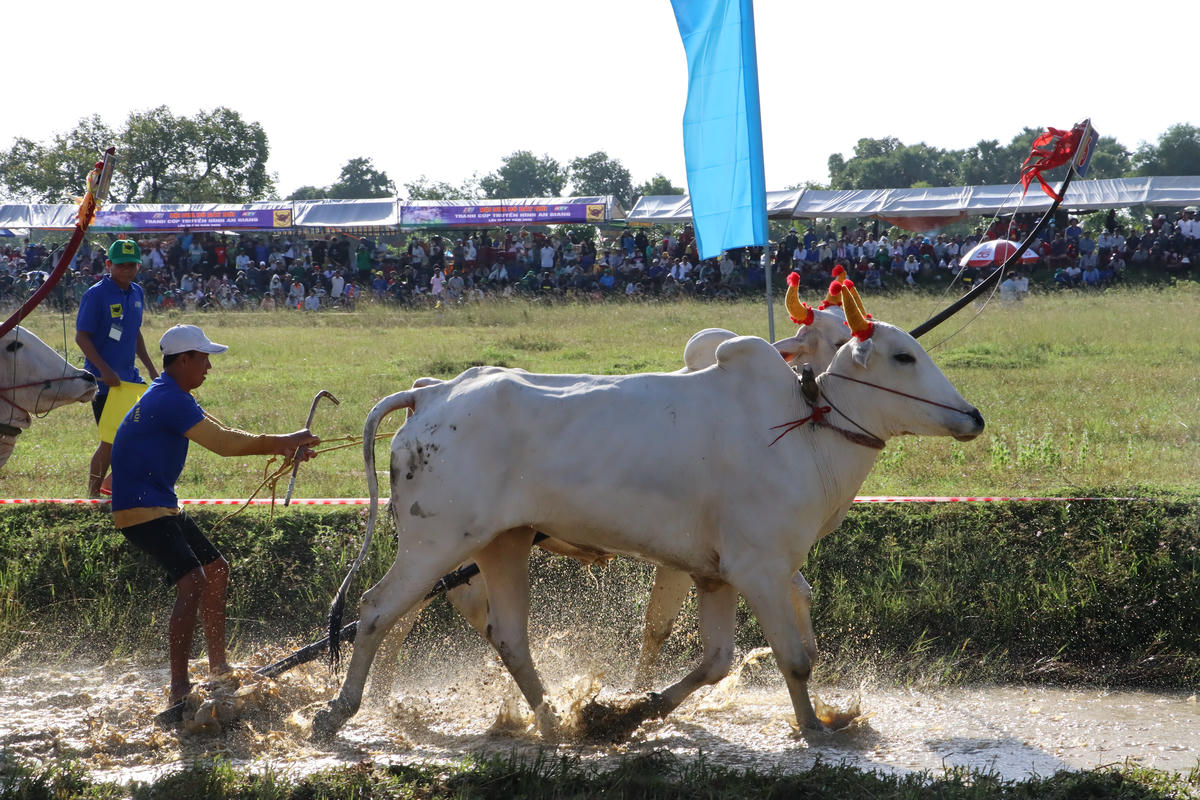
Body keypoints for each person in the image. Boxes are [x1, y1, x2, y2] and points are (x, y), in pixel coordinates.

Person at [110, 324, 319, 705]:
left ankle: (217, 666)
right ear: (184, 360)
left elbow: (221, 430)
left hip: (161, 503)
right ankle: (178, 688)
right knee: (192, 580)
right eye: (204, 359)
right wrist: (286, 441)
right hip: (141, 507)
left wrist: (285, 446)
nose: (209, 366)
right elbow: (223, 444)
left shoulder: (173, 394)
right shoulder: (170, 398)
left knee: (216, 569)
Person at [75, 239, 159, 498]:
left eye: (132, 265)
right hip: (104, 382)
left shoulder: (137, 293)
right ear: (109, 264)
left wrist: (152, 369)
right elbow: (82, 337)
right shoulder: (96, 294)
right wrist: (105, 371)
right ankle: (92, 496)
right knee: (111, 443)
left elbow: (134, 333)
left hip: (131, 380)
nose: (127, 270)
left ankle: (117, 487)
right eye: (121, 265)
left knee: (147, 433)